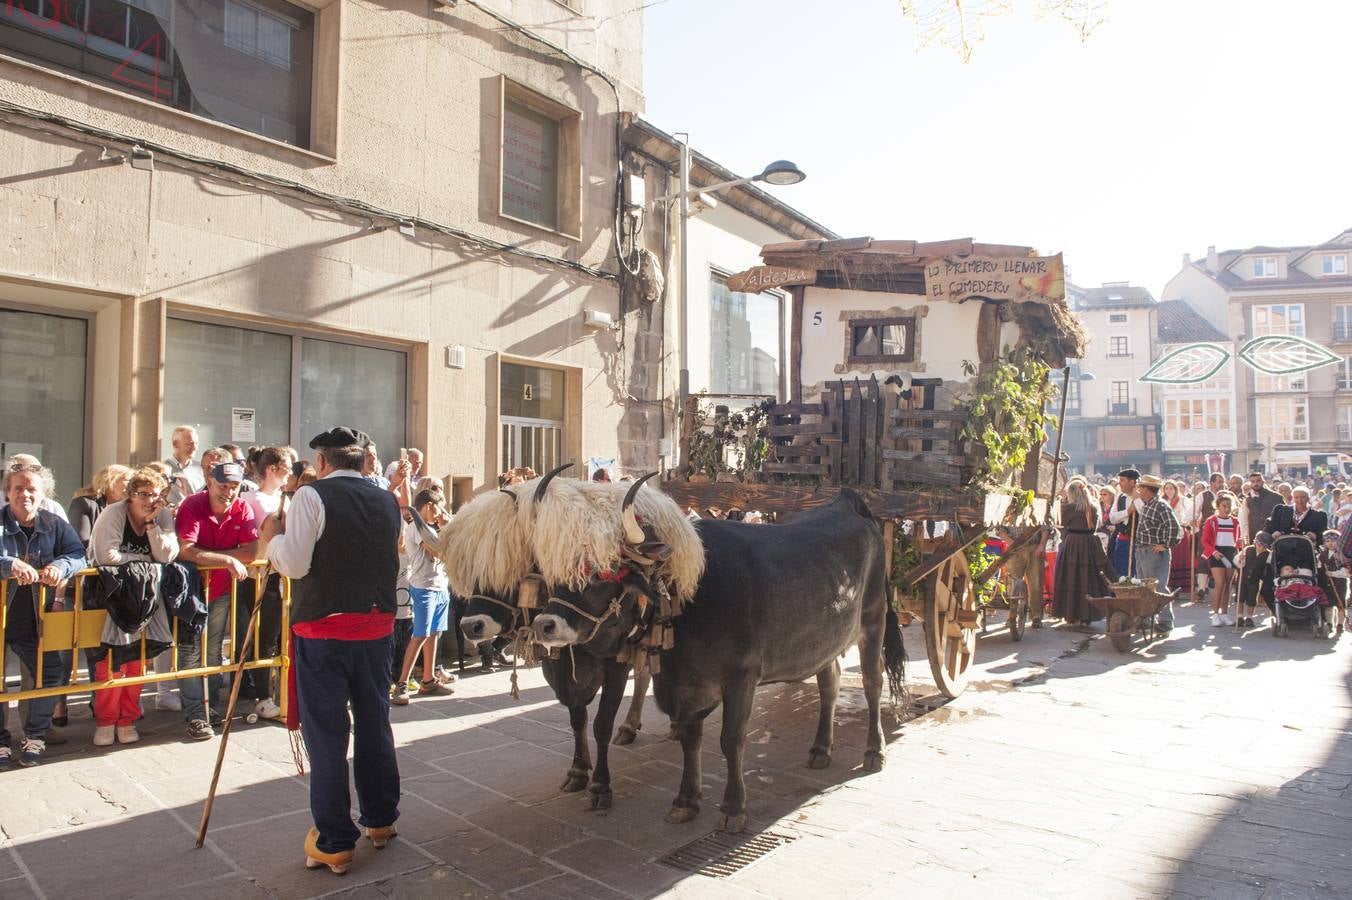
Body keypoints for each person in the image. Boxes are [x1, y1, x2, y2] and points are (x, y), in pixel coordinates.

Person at [259, 426, 401, 875]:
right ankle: (380, 820)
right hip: (377, 626)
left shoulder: (311, 496)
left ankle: (336, 839)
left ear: (321, 462)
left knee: (327, 734)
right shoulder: (386, 499)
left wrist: (272, 543)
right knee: (375, 723)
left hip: (326, 630)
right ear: (362, 462)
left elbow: (296, 562)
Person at [0, 462, 86, 768]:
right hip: (1, 617)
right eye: (18, 488)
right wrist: (8, 564)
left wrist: (60, 566)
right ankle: (0, 742)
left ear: (42, 494)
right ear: (7, 492)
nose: (25, 494)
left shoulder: (54, 523)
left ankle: (34, 736)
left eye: (31, 489)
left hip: (34, 618)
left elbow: (78, 554)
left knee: (49, 674)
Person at [88, 466, 179, 747]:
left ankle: (126, 719)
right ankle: (105, 721)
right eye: (143, 494)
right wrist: (145, 563)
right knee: (110, 661)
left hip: (146, 596)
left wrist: (151, 525)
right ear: (130, 495)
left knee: (137, 660)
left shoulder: (161, 514)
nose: (150, 500)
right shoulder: (113, 513)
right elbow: (106, 555)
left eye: (155, 495)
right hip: (111, 596)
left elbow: (167, 555)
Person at [174, 462, 258, 740]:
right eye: (223, 486)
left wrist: (208, 555)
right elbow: (186, 550)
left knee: (212, 651)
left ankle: (209, 708)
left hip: (220, 591)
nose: (229, 492)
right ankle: (196, 713)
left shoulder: (242, 508)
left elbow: (251, 551)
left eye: (234, 486)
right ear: (210, 482)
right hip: (190, 592)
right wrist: (225, 558)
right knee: (189, 653)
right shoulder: (192, 505)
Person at [236, 446, 296, 721]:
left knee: (276, 636)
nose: (290, 475)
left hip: (278, 575)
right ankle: (263, 696)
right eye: (286, 469)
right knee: (263, 637)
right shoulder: (255, 499)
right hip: (258, 576)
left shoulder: (283, 499)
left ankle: (275, 691)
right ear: (271, 469)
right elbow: (277, 534)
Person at [392, 487, 454, 705]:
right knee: (419, 635)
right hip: (424, 588)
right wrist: (447, 529)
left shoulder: (428, 526)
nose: (440, 512)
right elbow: (438, 551)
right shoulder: (417, 527)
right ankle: (401, 684)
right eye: (438, 507)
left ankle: (428, 680)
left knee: (433, 634)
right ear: (428, 506)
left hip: (439, 586)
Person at [1052, 480, 1116, 626]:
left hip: (1072, 543)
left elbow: (1061, 526)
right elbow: (1094, 527)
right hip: (1089, 542)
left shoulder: (1068, 508)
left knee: (1070, 578)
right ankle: (1086, 615)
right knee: (1087, 578)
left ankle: (1071, 614)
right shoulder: (1093, 508)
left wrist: (1066, 536)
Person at [1131, 475, 1183, 633]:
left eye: (1141, 488)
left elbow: (1174, 527)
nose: (1139, 490)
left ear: (1148, 489)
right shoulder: (1148, 504)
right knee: (1144, 586)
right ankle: (1146, 619)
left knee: (1158, 587)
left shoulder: (1161, 505)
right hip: (1142, 550)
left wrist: (1165, 545)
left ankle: (1166, 622)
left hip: (1154, 552)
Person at [1201, 492, 1243, 627]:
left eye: (1229, 506)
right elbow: (1205, 541)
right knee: (1219, 583)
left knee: (1228, 585)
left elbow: (1238, 539)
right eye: (1224, 506)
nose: (1227, 508)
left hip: (1231, 552)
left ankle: (1224, 614)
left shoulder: (1235, 521)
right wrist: (1213, 552)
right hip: (1217, 552)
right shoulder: (1211, 521)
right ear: (1217, 506)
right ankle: (1215, 614)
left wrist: (1240, 544)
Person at [68, 465, 133, 550]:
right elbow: (82, 543)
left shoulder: (130, 507)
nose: (132, 486)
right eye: (129, 480)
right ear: (110, 481)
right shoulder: (83, 503)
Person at [1235, 531, 1272, 629]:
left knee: (1252, 598)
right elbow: (1237, 562)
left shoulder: (1268, 555)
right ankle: (1239, 616)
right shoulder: (1247, 549)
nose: (1260, 547)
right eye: (1258, 544)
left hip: (1255, 579)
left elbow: (1268, 569)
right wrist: (1240, 560)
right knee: (1240, 597)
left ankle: (1249, 617)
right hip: (1242, 577)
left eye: (1263, 546)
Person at [1107, 468, 1139, 577]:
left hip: (1138, 541)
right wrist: (1128, 511)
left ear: (1132, 482)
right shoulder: (1120, 496)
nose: (1119, 483)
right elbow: (1113, 518)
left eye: (1122, 480)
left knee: (1136, 571)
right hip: (1122, 540)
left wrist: (1137, 502)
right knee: (1121, 571)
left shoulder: (1141, 497)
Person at [165, 426, 205, 506]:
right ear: (175, 444)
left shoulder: (201, 468)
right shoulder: (163, 468)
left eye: (196, 443)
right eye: (189, 444)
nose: (194, 448)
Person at [1319, 529, 1347, 636]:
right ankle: (1329, 623)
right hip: (1326, 584)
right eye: (1328, 541)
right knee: (1328, 604)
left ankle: (1340, 624)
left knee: (1340, 604)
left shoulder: (1341, 555)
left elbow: (1345, 571)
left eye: (1333, 541)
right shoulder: (1322, 554)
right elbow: (1319, 566)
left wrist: (1333, 573)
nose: (1330, 543)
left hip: (1339, 583)